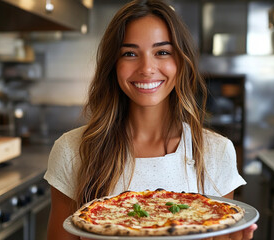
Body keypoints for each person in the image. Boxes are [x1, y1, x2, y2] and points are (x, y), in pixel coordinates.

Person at [44, 0, 258, 239]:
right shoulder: (72, 150)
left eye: (162, 52)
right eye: (130, 53)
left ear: (181, 61)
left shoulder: (216, 152)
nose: (147, 68)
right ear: (113, 64)